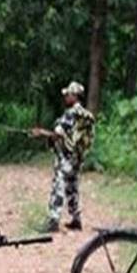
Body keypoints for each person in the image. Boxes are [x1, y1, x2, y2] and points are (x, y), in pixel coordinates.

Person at [31, 81, 95, 232]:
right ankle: (76, 219)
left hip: (66, 156)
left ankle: (53, 220)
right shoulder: (85, 115)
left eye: (68, 94)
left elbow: (57, 134)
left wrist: (40, 133)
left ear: (75, 96)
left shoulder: (70, 113)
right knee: (72, 187)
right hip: (77, 157)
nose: (65, 97)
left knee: (58, 185)